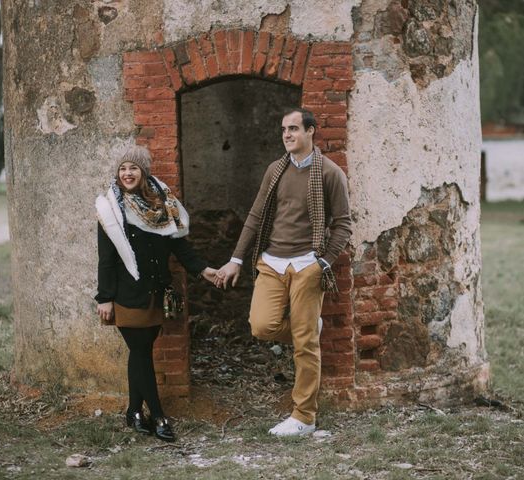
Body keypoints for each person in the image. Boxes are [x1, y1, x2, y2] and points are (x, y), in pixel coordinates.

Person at [216, 108, 352, 436]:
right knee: (262, 325)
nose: (287, 135)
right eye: (283, 130)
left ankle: (304, 417)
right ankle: (307, 327)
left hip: (308, 264)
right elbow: (255, 215)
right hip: (271, 261)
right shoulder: (275, 170)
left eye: (293, 129)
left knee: (305, 346)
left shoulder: (330, 173)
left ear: (310, 132)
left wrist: (323, 262)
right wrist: (236, 258)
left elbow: (343, 224)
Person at [95, 145, 217, 442]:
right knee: (140, 351)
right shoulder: (111, 209)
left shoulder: (163, 204)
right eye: (123, 168)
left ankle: (134, 410)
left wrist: (203, 270)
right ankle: (159, 414)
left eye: (133, 168)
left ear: (144, 171)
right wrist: (104, 297)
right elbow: (107, 258)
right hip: (127, 294)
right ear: (118, 172)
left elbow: (179, 246)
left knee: (141, 353)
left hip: (155, 292)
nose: (127, 173)